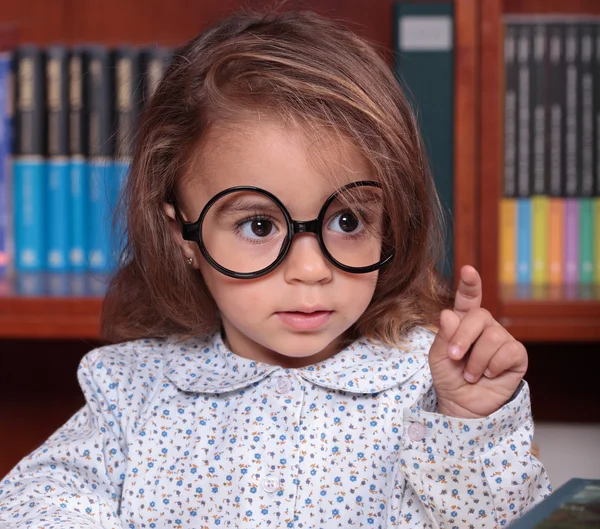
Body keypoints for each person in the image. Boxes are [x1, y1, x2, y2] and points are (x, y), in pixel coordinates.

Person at [0, 8, 550, 529]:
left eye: (348, 221)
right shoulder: (133, 392)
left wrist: (470, 425)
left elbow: (498, 519)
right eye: (259, 226)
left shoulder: (428, 388)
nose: (310, 270)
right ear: (182, 234)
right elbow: (32, 501)